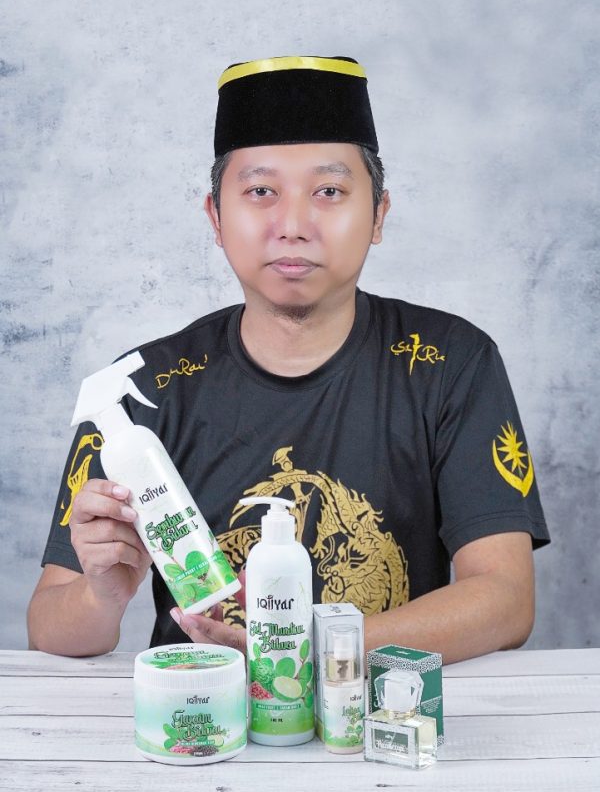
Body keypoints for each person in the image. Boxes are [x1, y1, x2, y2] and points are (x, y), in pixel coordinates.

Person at [27, 55, 550, 664]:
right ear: (215, 217)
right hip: (202, 712)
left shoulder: (450, 364)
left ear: (378, 215)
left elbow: (506, 599)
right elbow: (50, 628)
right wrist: (102, 594)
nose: (293, 224)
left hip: (383, 709)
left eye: (329, 192)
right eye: (260, 192)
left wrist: (309, 649)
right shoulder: (142, 389)